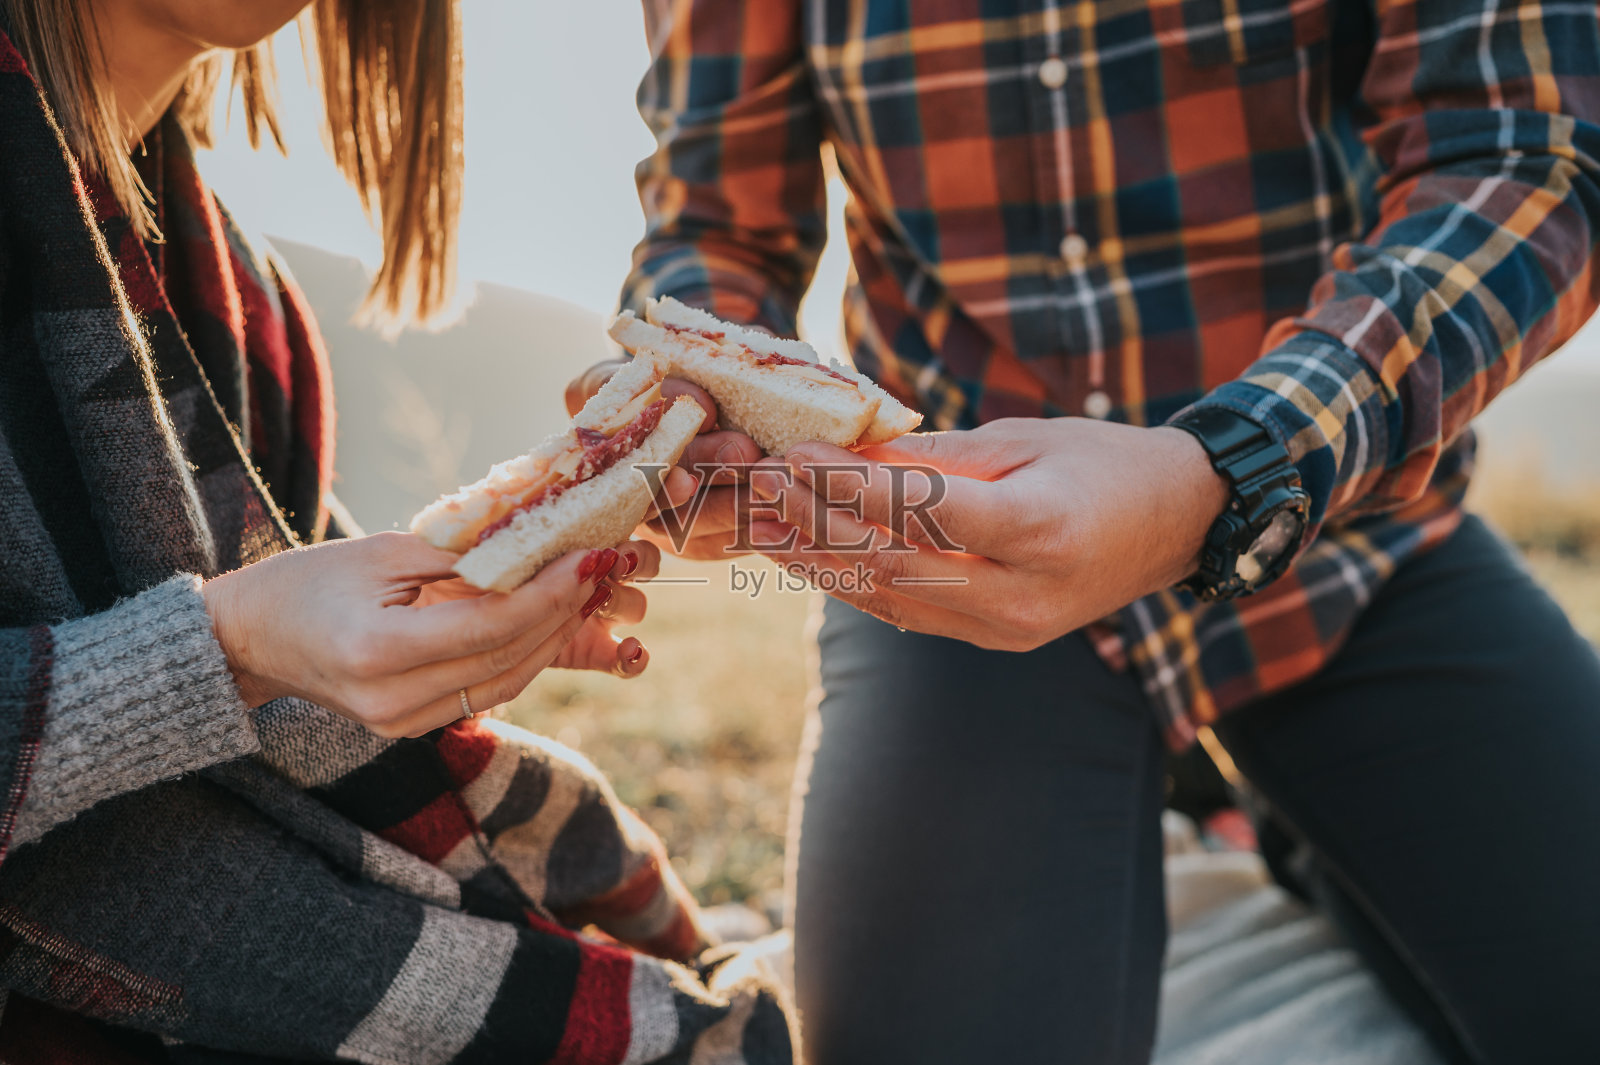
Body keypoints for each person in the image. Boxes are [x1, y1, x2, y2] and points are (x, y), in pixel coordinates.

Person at [573, 0, 1600, 1062]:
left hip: (1336, 532)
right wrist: (691, 403)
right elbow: (717, 225)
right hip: (949, 570)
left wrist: (1233, 463)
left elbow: (1530, 155)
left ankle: (1295, 823)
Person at [0, 0, 794, 1059]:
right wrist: (228, 650)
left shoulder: (247, 304)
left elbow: (289, 655)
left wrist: (440, 622)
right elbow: (241, 636)